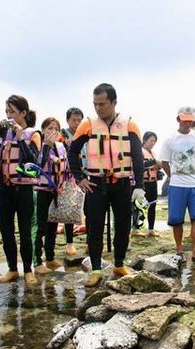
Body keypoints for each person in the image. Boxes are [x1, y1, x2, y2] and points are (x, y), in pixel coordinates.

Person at [68, 83, 144, 287]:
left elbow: (137, 156)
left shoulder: (129, 125)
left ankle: (119, 264)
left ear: (114, 102)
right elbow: (72, 153)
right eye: (95, 104)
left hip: (121, 184)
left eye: (102, 104)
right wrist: (79, 178)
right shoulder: (87, 125)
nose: (98, 108)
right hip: (95, 185)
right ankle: (95, 269)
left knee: (122, 226)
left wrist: (140, 186)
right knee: (94, 228)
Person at [0, 95, 38, 284]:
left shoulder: (33, 134)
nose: (9, 115)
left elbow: (32, 161)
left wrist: (20, 138)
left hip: (23, 189)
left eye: (12, 112)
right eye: (6, 112)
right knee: (5, 230)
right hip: (4, 188)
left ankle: (28, 270)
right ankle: (12, 269)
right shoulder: (3, 133)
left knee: (25, 231)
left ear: (23, 113)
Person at [159, 106, 195, 267]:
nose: (187, 124)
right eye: (184, 121)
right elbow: (164, 162)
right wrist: (173, 175)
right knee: (176, 220)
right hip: (177, 185)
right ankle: (179, 250)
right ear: (178, 119)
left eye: (190, 121)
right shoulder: (170, 139)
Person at [32, 117, 69, 274]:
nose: (53, 131)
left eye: (56, 128)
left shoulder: (61, 147)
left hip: (57, 191)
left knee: (53, 226)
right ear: (43, 129)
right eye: (49, 128)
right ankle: (37, 262)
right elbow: (36, 166)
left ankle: (50, 258)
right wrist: (46, 146)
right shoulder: (38, 145)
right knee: (40, 226)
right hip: (41, 191)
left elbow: (65, 168)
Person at [59, 107, 86, 256]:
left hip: (85, 175)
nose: (77, 122)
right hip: (69, 177)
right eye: (74, 120)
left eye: (79, 120)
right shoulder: (62, 135)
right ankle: (69, 243)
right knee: (70, 210)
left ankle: (90, 242)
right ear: (68, 120)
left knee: (89, 209)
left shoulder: (85, 134)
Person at [132, 131, 161, 237]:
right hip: (143, 183)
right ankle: (135, 228)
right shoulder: (139, 152)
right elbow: (140, 165)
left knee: (152, 205)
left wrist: (159, 167)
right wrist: (154, 163)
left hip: (153, 182)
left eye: (154, 141)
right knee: (139, 206)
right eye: (151, 140)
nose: (153, 143)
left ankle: (151, 229)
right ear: (144, 140)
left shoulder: (153, 153)